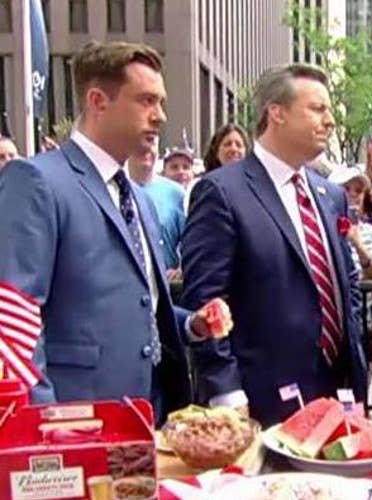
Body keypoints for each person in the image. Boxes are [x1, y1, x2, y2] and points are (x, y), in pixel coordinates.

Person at [0, 41, 224, 422]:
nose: (160, 116)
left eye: (161, 103)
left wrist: (190, 323)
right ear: (98, 101)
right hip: (75, 420)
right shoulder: (36, 181)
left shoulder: (140, 198)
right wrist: (45, 422)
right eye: (147, 101)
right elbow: (14, 319)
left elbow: (139, 305)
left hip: (150, 414)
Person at [181, 63, 368, 427]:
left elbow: (348, 282)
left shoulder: (331, 196)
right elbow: (206, 300)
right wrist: (225, 390)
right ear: (276, 113)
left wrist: (354, 350)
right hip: (260, 401)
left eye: (329, 110)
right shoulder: (222, 192)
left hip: (337, 391)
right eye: (317, 109)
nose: (329, 121)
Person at [127, 140, 185, 273]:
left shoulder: (176, 193)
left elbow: (191, 242)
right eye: (140, 143)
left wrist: (181, 270)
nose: (147, 149)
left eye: (152, 143)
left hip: (167, 280)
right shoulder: (116, 189)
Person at [329, 166, 372, 280]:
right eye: (346, 189)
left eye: (359, 191)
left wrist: (358, 245)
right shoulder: (321, 229)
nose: (353, 194)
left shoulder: (371, 231)